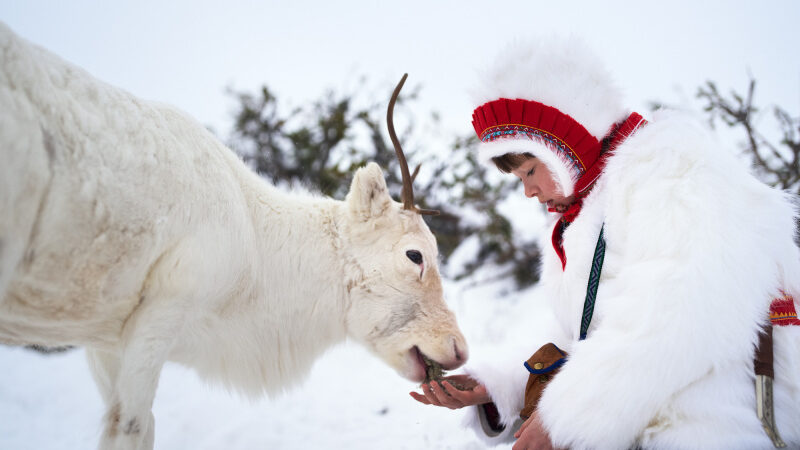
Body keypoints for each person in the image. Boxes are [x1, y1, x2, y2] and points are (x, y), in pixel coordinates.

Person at [410, 38, 800, 449]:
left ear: (564, 140)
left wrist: (564, 418)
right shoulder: (588, 209)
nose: (529, 191)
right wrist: (500, 385)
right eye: (519, 179)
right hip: (658, 417)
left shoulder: (671, 172)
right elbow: (588, 334)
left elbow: (672, 320)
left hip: (717, 422)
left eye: (529, 170)